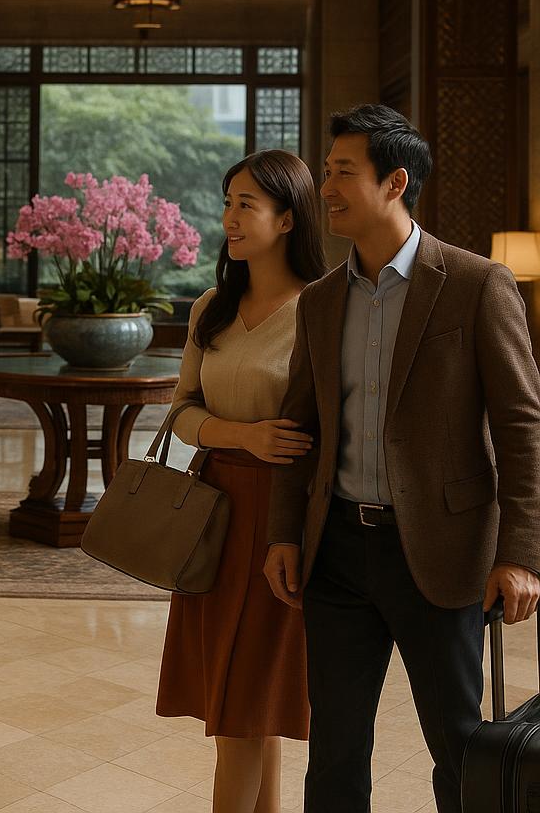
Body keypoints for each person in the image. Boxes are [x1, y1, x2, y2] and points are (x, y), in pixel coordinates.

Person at [263, 104, 540, 813]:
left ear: (395, 183)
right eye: (326, 172)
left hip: (444, 558)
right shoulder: (321, 301)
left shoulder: (478, 284)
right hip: (336, 558)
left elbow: (521, 426)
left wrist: (521, 553)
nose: (326, 187)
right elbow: (299, 427)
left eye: (343, 173)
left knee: (457, 746)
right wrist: (284, 533)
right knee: (335, 753)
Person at [157, 149, 326, 813]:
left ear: (288, 218)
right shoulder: (212, 306)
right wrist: (243, 435)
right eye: (227, 202)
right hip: (213, 514)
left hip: (285, 518)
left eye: (246, 205)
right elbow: (179, 412)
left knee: (249, 706)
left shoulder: (322, 308)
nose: (229, 217)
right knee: (241, 706)